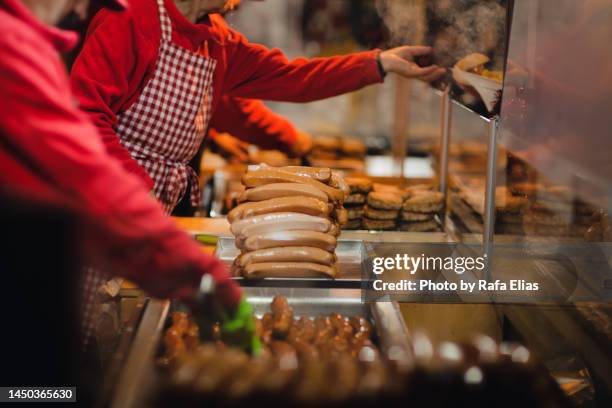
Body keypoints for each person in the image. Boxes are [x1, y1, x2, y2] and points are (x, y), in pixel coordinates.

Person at [0, 0, 254, 351]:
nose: (82, 7)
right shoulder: (12, 54)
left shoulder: (25, 45)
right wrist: (200, 277)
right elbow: (91, 180)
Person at [70, 0, 445, 213]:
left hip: (158, 206)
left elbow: (296, 77)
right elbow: (83, 117)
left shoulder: (217, 40)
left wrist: (379, 63)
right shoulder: (132, 17)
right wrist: (135, 190)